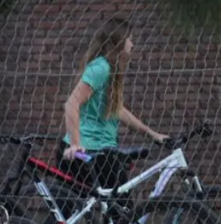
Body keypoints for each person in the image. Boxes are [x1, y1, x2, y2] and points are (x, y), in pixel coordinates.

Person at [56, 16, 168, 200]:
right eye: (130, 39)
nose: (133, 44)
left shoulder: (110, 68)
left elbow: (117, 110)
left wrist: (151, 133)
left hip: (103, 152)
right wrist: (76, 145)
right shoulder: (101, 68)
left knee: (113, 214)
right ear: (119, 41)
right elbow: (71, 104)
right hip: (89, 154)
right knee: (121, 215)